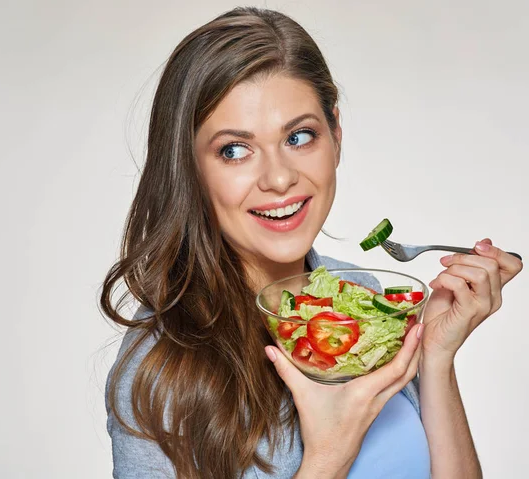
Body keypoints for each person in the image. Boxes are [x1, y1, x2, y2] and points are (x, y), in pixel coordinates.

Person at [100, 7, 522, 479]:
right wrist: (328, 456)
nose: (279, 178)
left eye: (300, 136)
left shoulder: (366, 301)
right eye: (234, 150)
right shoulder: (159, 366)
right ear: (190, 170)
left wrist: (436, 355)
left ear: (335, 136)